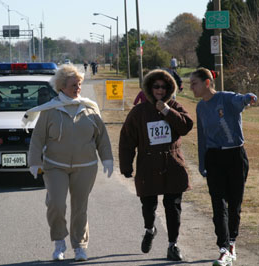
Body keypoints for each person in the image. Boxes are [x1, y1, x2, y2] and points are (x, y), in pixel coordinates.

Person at [23, 64, 113, 261]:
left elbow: (102, 137)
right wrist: (34, 161)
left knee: (80, 207)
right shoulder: (50, 110)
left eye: (79, 84)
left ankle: (80, 245)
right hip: (55, 166)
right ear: (62, 86)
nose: (78, 88)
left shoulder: (89, 108)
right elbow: (38, 138)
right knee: (56, 204)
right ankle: (59, 241)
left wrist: (107, 158)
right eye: (74, 84)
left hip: (86, 167)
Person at [119, 69, 193, 261]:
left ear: (169, 89)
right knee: (148, 205)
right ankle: (150, 229)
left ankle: (172, 245)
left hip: (172, 164)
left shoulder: (175, 106)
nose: (160, 90)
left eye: (164, 87)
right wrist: (126, 166)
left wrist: (167, 111)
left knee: (173, 206)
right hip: (148, 165)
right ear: (149, 89)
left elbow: (186, 126)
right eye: (156, 86)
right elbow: (127, 140)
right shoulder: (139, 112)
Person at [190, 67, 257, 266]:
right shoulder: (200, 107)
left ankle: (232, 244)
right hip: (214, 157)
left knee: (234, 204)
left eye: (195, 83)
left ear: (207, 83)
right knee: (218, 205)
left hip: (235, 155)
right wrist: (202, 163)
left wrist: (248, 97)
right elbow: (202, 137)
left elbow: (241, 99)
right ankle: (223, 248)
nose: (191, 87)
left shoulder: (226, 98)